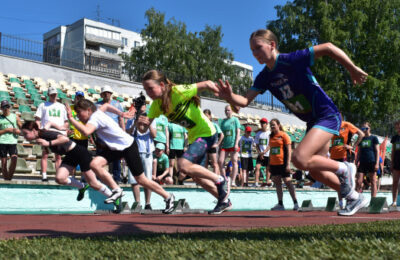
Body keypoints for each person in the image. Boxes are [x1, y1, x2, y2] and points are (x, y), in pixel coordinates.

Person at [216, 29, 369, 216]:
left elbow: (328, 47)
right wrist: (230, 96)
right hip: (313, 121)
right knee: (315, 172)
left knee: (299, 158)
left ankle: (344, 168)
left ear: (272, 45)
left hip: (327, 114)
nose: (255, 53)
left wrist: (352, 69)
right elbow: (245, 101)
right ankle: (354, 197)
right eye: (252, 50)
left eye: (258, 48)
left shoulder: (292, 59)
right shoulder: (264, 77)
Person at [142, 70, 231, 214]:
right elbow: (144, 128)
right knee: (197, 177)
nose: (148, 92)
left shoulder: (178, 91)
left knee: (182, 164)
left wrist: (229, 99)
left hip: (207, 133)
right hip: (194, 138)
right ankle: (224, 200)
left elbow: (208, 83)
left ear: (162, 85)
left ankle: (220, 179)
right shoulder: (156, 105)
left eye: (150, 88)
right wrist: (139, 120)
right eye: (145, 89)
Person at [66, 98, 176, 213]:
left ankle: (168, 196)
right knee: (94, 164)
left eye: (79, 113)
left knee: (141, 179)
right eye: (76, 114)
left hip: (128, 146)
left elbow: (86, 132)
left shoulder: (94, 118)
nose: (78, 116)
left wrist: (71, 119)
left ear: (88, 110)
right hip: (117, 148)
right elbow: (107, 106)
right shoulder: (98, 110)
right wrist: (121, 113)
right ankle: (116, 189)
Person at [21, 120, 121, 204]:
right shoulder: (40, 136)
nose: (25, 137)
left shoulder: (46, 134)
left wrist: (49, 143)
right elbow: (49, 122)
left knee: (93, 183)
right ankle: (81, 186)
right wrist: (59, 127)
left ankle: (116, 199)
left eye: (26, 134)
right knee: (59, 178)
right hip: (70, 155)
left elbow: (64, 139)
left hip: (80, 153)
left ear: (34, 130)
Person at [35, 86, 68, 182]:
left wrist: (63, 129)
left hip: (58, 133)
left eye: (55, 94)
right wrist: (40, 129)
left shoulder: (62, 106)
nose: (54, 96)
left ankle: (58, 176)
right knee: (45, 154)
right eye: (52, 94)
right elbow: (37, 119)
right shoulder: (43, 105)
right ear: (48, 95)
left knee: (58, 155)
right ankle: (44, 175)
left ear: (57, 94)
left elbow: (66, 121)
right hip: (46, 132)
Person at [126, 107, 157, 210]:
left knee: (147, 179)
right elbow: (127, 134)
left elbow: (154, 135)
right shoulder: (131, 119)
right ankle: (137, 203)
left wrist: (148, 124)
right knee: (134, 179)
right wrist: (135, 122)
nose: (142, 113)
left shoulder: (151, 119)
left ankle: (147, 203)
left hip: (147, 152)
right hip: (133, 151)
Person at [330, 120, 364, 208]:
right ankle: (341, 203)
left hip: (345, 156)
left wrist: (353, 146)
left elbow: (361, 134)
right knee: (337, 181)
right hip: (334, 156)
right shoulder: (331, 125)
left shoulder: (347, 125)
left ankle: (352, 200)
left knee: (347, 180)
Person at [96, 85, 124, 184]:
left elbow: (121, 119)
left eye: (108, 92)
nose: (106, 94)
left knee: (116, 157)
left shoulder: (117, 104)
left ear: (111, 94)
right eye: (105, 92)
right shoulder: (97, 105)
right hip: (102, 136)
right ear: (102, 94)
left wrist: (123, 133)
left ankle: (117, 177)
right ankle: (98, 177)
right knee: (100, 156)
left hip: (114, 135)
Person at [268, 118, 298, 211]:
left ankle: (296, 203)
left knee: (287, 182)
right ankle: (280, 204)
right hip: (274, 163)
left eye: (274, 124)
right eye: (271, 125)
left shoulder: (284, 135)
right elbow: (271, 150)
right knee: (277, 183)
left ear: (278, 125)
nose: (272, 126)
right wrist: (269, 163)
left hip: (283, 162)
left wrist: (288, 164)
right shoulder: (271, 136)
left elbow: (289, 150)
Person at [355, 122, 379, 198]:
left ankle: (373, 199)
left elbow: (377, 151)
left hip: (371, 161)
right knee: (358, 181)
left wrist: (377, 163)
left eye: (366, 128)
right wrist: (356, 161)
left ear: (369, 128)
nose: (364, 130)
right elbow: (359, 151)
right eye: (363, 129)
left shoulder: (374, 138)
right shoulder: (361, 139)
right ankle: (357, 199)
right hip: (362, 162)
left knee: (373, 181)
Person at [219, 105, 241, 186]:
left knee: (234, 161)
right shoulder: (223, 122)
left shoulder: (235, 120)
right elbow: (222, 134)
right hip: (225, 145)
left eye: (228, 110)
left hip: (233, 144)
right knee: (220, 161)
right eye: (226, 110)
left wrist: (236, 144)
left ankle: (233, 180)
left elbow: (238, 132)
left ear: (231, 111)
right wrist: (220, 145)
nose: (227, 112)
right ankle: (224, 178)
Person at [0, 100, 21, 180]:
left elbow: (21, 129)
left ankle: (9, 177)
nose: (6, 109)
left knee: (14, 158)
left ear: (10, 107)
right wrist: (6, 130)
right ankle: (6, 179)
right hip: (2, 142)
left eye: (7, 107)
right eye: (4, 107)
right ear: (1, 108)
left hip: (12, 141)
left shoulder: (15, 117)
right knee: (4, 162)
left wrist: (18, 131)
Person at [203, 109, 224, 175]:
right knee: (205, 164)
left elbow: (222, 135)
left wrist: (217, 144)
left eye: (206, 116)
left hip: (212, 146)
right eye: (204, 116)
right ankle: (205, 178)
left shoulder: (214, 125)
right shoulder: (203, 125)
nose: (205, 117)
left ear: (210, 116)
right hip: (205, 146)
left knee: (214, 164)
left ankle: (215, 180)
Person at [254, 117, 271, 187]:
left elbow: (270, 144)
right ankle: (256, 182)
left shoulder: (269, 133)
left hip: (267, 154)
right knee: (257, 167)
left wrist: (264, 152)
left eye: (264, 123)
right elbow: (257, 145)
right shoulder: (258, 133)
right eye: (261, 123)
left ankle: (267, 182)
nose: (262, 124)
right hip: (260, 154)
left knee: (268, 169)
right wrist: (259, 153)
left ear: (267, 124)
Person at [390, 120, 400, 207]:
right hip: (396, 162)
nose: (398, 127)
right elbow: (392, 151)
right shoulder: (395, 138)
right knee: (395, 182)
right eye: (397, 126)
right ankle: (394, 202)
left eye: (399, 125)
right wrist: (391, 163)